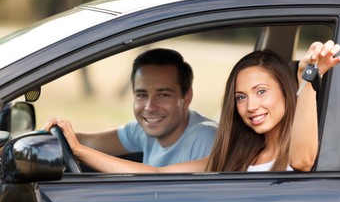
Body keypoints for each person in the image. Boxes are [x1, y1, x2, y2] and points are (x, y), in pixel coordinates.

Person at [44, 40, 340, 172]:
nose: (251, 106)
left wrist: (307, 79)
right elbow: (157, 175)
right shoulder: (236, 154)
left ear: (285, 91)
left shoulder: (300, 149)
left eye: (261, 92)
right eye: (241, 97)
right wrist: (80, 150)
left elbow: (303, 162)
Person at [45, 48, 218, 167]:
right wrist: (45, 138)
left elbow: (157, 176)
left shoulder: (206, 138)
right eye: (142, 95)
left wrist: (79, 151)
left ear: (186, 97)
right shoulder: (143, 130)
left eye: (163, 94)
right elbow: (87, 141)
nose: (150, 107)